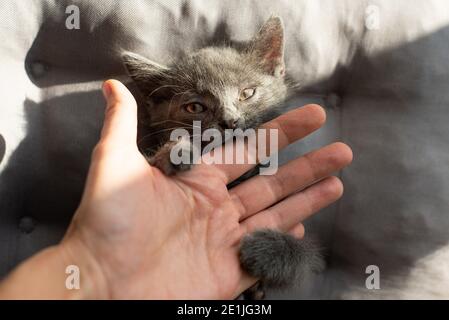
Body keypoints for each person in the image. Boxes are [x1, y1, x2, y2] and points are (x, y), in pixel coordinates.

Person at [0, 80, 352, 299]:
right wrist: (95, 269)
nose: (230, 116)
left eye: (245, 94)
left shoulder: (276, 172)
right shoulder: (163, 172)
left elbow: (301, 265)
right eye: (197, 106)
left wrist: (287, 254)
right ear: (157, 108)